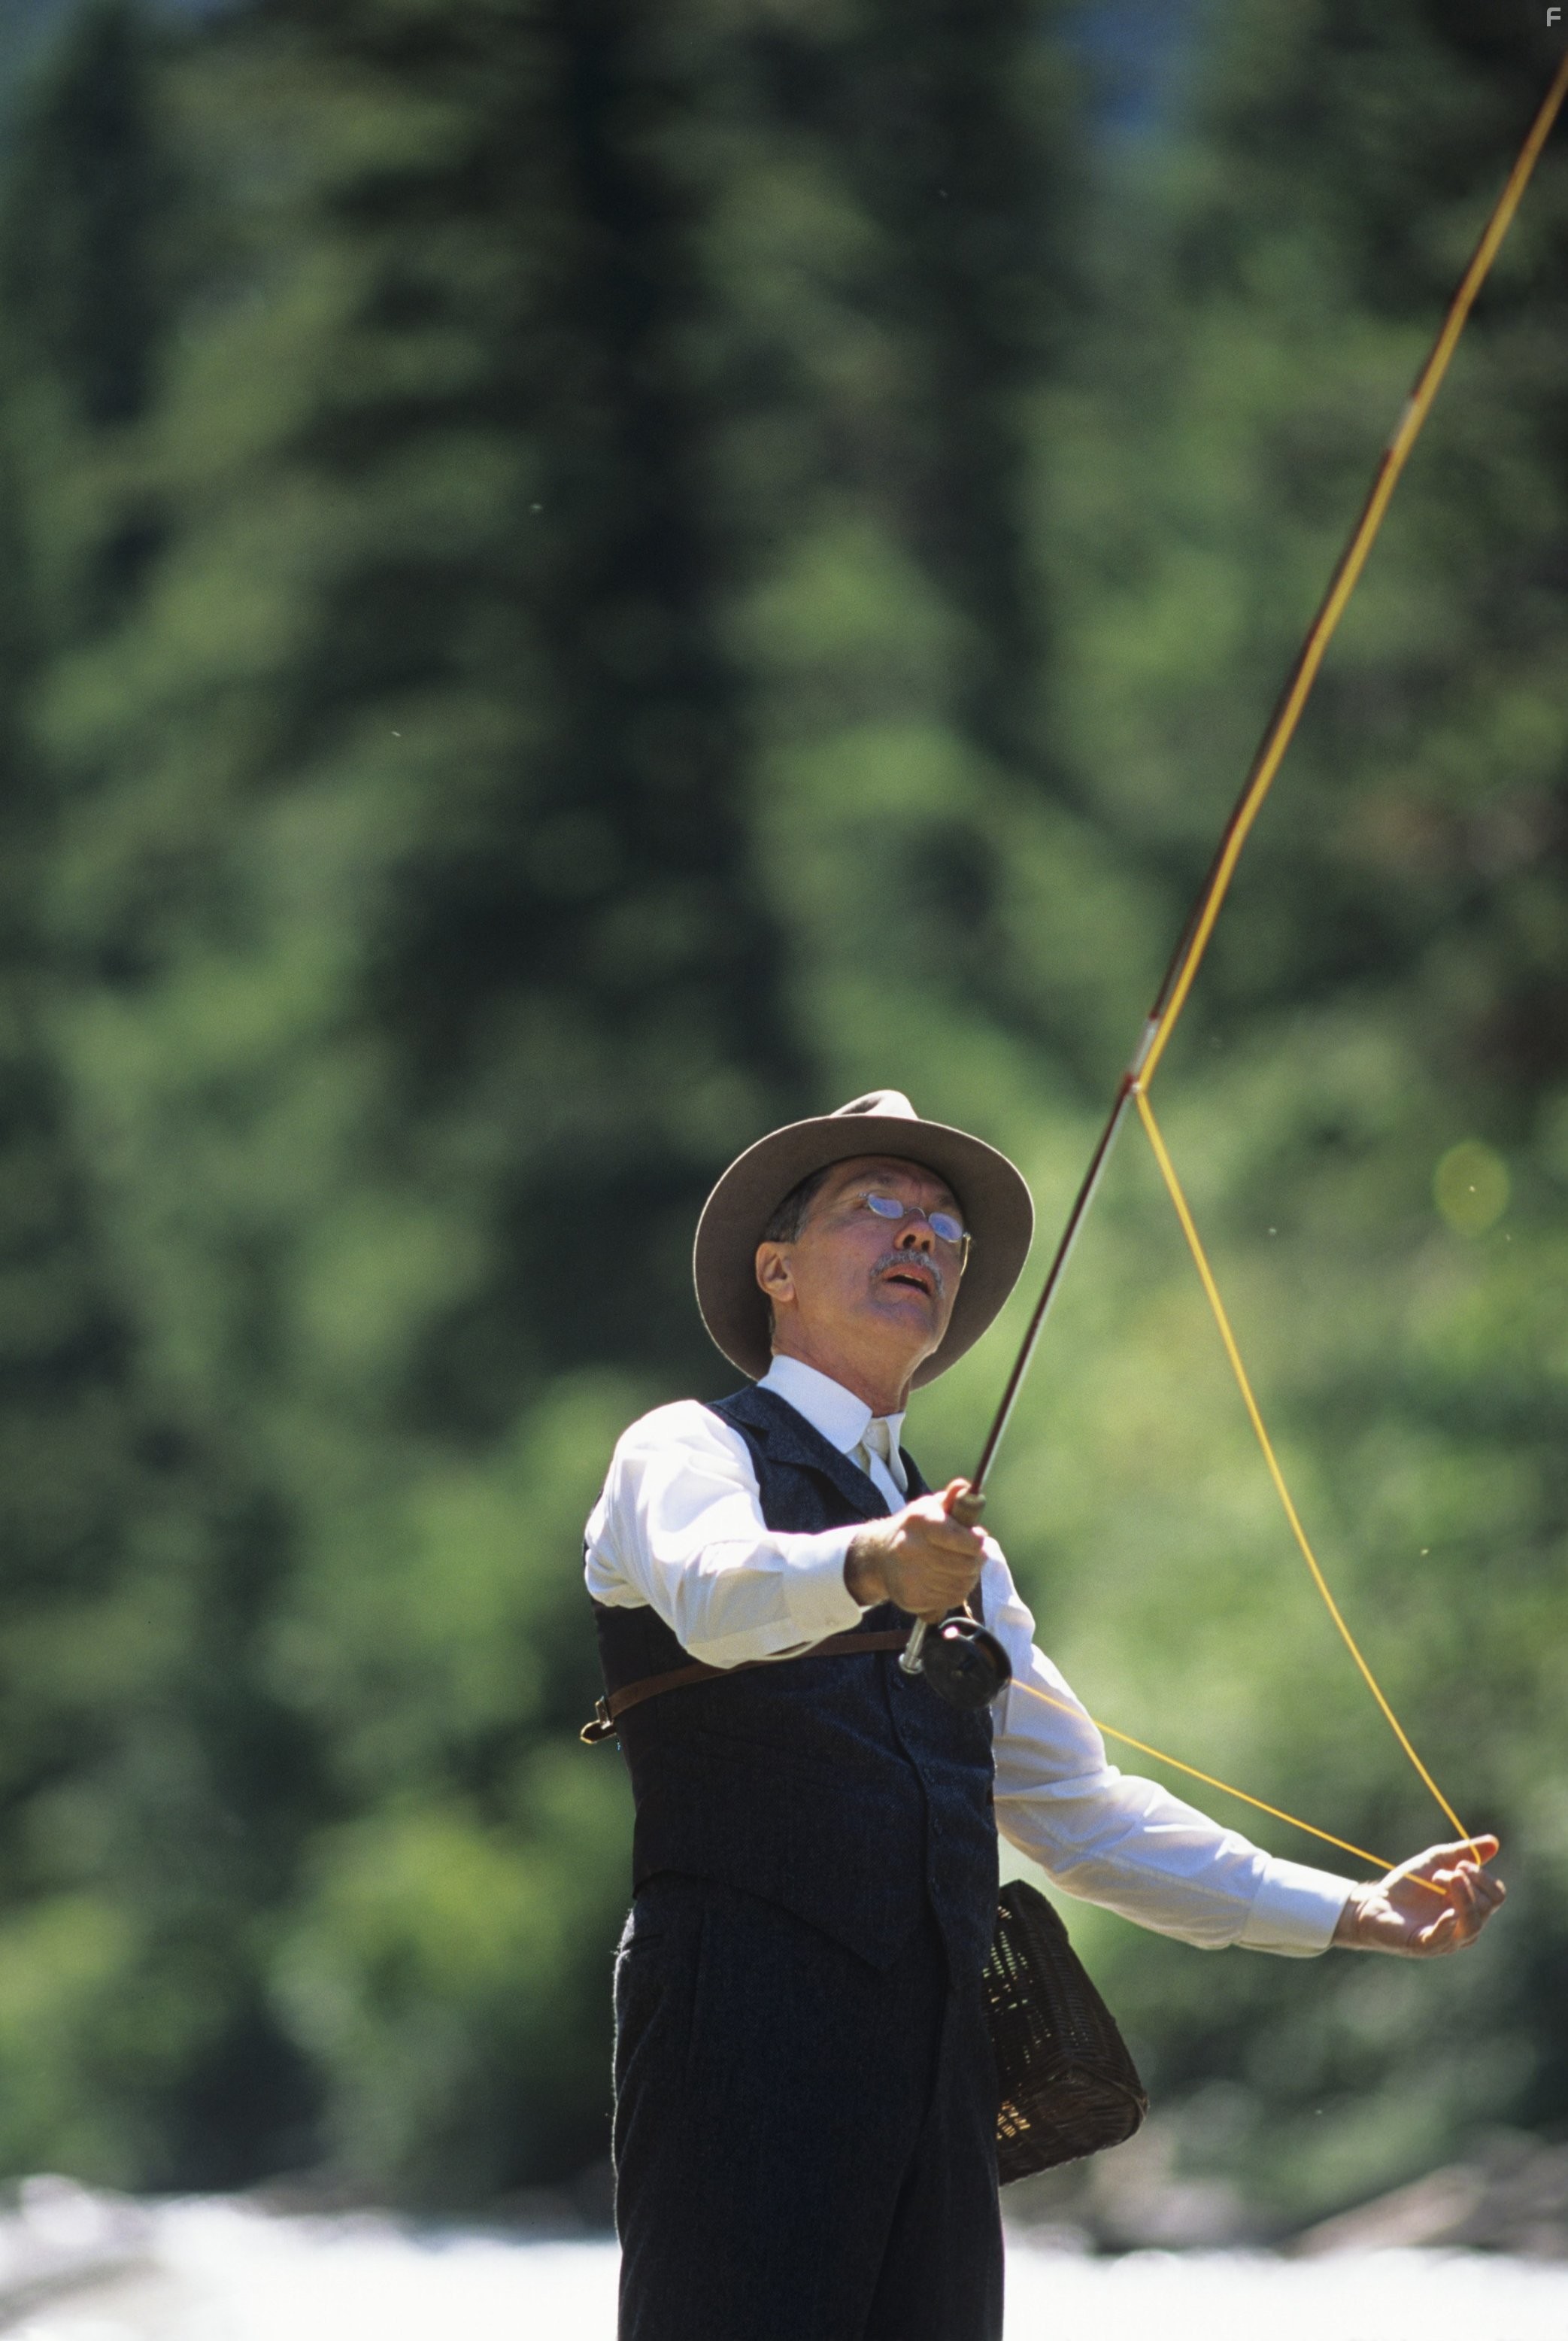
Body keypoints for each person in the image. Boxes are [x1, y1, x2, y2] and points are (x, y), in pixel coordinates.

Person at [584, 1090, 1503, 2341]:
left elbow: (1082, 1816)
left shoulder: (966, 1558)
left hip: (938, 2065)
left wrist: (1352, 1912)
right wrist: (870, 1564)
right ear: (776, 1268)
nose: (921, 1235)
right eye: (879, 1208)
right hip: (737, 2031)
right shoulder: (683, 1449)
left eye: (944, 1229)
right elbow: (710, 1594)